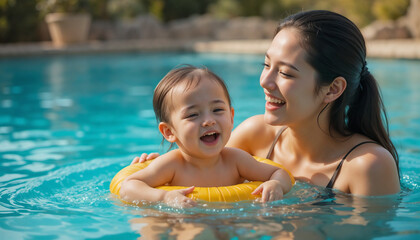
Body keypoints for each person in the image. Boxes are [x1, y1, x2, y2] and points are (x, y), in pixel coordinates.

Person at [133, 10, 401, 196]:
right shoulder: (255, 135)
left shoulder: (368, 166)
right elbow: (198, 166)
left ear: (332, 89)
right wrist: (161, 172)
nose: (265, 81)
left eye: (285, 73)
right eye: (266, 65)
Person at [120, 65, 293, 208]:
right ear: (169, 132)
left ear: (231, 117)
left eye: (217, 110)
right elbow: (128, 186)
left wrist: (275, 184)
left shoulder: (236, 160)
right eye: (192, 115)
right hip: (187, 225)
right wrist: (165, 197)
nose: (209, 121)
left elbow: (279, 172)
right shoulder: (172, 165)